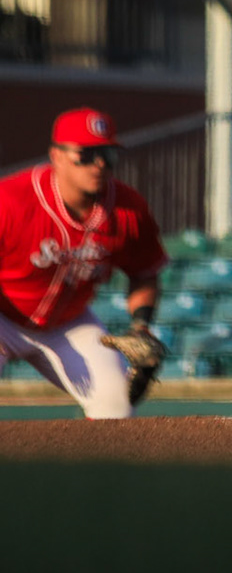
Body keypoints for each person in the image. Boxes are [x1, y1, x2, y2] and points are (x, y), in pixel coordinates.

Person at [0, 109, 168, 418]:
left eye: (107, 154)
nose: (99, 164)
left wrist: (141, 327)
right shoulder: (10, 201)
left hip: (69, 322)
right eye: (86, 154)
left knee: (116, 406)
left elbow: (144, 272)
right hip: (5, 317)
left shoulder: (129, 209)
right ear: (56, 156)